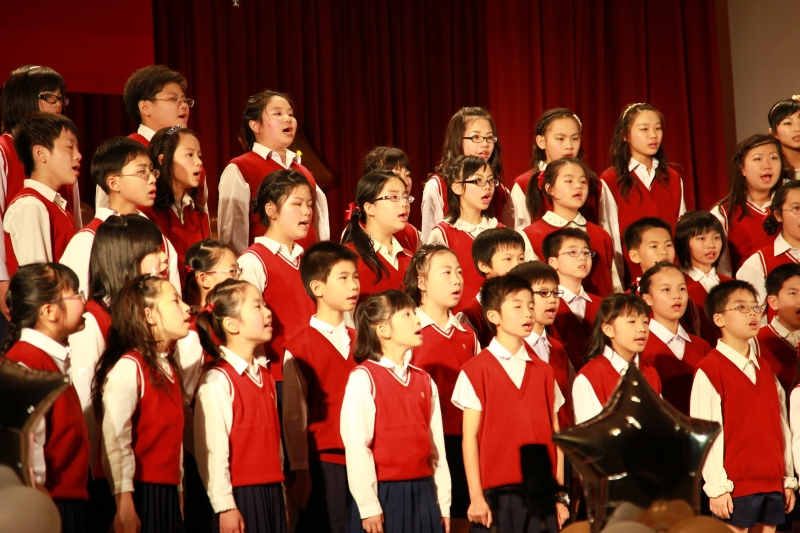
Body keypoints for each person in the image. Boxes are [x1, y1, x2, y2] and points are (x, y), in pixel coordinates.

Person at [452, 275, 569, 531]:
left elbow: (556, 435)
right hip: (496, 495)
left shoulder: (545, 371)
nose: (528, 313)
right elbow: (470, 438)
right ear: (494, 316)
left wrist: (559, 496)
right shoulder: (475, 370)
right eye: (517, 306)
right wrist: (476, 496)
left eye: (530, 306)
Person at [341, 290, 451, 533]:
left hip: (423, 492)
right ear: (383, 330)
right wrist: (368, 506)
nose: (418, 320)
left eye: (415, 313)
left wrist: (443, 504)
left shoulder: (424, 380)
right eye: (407, 315)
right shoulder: (363, 378)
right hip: (384, 493)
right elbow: (358, 446)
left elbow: (437, 451)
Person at [690, 280, 796, 531]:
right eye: (741, 307)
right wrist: (716, 487)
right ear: (719, 319)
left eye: (754, 307)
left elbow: (781, 426)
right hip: (735, 484)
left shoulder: (765, 368)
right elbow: (705, 432)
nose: (752, 313)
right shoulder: (710, 369)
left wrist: (787, 478)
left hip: (772, 481)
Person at [92, 275, 191, 533]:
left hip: (165, 493)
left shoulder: (168, 367)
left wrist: (178, 489)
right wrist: (124, 502)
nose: (186, 308)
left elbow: (173, 444)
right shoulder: (130, 366)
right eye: (175, 301)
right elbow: (115, 438)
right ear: (149, 315)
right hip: (137, 494)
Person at [194, 279, 286, 533]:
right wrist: (225, 506)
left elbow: (274, 444)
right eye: (257, 306)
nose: (268, 312)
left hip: (272, 492)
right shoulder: (217, 380)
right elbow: (212, 451)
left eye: (265, 305)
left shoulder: (265, 375)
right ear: (231, 324)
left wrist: (281, 493)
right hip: (241, 496)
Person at [3, 263, 89, 533]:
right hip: (48, 506)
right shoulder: (25, 363)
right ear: (49, 311)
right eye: (76, 294)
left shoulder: (49, 359)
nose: (84, 303)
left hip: (67, 502)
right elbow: (27, 456)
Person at [282, 242, 360, 533]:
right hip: (325, 464)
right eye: (343, 278)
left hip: (365, 459)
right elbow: (294, 417)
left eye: (355, 277)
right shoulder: (299, 347)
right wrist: (301, 471)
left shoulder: (363, 341)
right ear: (318, 287)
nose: (354, 285)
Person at [405, 244, 478, 532]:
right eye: (446, 273)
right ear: (421, 282)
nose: (457, 280)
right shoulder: (407, 330)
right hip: (424, 445)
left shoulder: (468, 334)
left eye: (459, 272)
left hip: (463, 443)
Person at [219, 90, 329, 254]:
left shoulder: (303, 171)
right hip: (264, 264)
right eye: (277, 113)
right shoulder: (241, 168)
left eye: (290, 114)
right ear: (255, 125)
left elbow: (319, 227)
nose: (288, 119)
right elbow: (232, 232)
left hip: (308, 265)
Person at [598, 103, 686, 282]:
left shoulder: (672, 178)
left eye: (657, 128)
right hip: (633, 278)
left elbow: (681, 232)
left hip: (671, 277)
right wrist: (618, 284)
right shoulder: (611, 180)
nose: (653, 135)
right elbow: (611, 238)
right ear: (625, 135)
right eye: (644, 129)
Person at [520, 157, 620, 295]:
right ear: (550, 189)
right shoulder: (531, 236)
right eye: (569, 181)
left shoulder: (601, 235)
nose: (578, 186)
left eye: (583, 181)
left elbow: (614, 286)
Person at [4, 113, 80, 276]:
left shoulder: (55, 205)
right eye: (70, 147)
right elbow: (39, 280)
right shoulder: (31, 206)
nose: (78, 155)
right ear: (40, 153)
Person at [421, 106, 511, 240]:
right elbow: (430, 241)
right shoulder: (437, 186)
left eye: (489, 137)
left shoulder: (500, 191)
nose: (485, 144)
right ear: (457, 140)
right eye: (476, 137)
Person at [572, 293, 662, 424]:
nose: (642, 329)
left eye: (645, 322)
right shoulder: (590, 377)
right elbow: (590, 433)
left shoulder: (650, 372)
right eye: (632, 322)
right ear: (608, 329)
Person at [428, 155, 504, 309]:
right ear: (457, 187)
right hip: (459, 315)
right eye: (478, 181)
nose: (487, 187)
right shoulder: (443, 233)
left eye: (490, 180)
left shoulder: (500, 231)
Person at [639, 262, 711, 415]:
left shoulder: (702, 346)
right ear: (647, 299)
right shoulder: (639, 346)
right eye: (666, 289)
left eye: (682, 288)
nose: (677, 295)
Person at [710, 134, 784, 275]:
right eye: (758, 159)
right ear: (742, 168)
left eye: (774, 157)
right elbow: (723, 271)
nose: (767, 165)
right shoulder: (723, 213)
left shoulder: (791, 206)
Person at [342, 170, 413, 303]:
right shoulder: (348, 258)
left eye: (405, 197)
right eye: (394, 197)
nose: (404, 203)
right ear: (370, 208)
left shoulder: (410, 259)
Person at [510, 108, 586, 228]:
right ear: (541, 142)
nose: (569, 146)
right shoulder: (524, 184)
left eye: (575, 139)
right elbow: (518, 231)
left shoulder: (591, 182)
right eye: (560, 139)